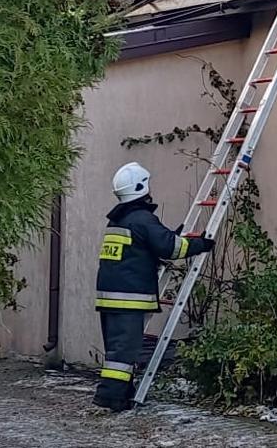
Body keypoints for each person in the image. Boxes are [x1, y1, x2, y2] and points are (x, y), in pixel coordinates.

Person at [93, 162, 214, 411]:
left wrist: (169, 237)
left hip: (109, 297)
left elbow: (137, 251)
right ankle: (110, 397)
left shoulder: (118, 221)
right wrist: (200, 245)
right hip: (128, 298)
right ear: (141, 187)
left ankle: (122, 393)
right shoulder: (143, 219)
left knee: (117, 351)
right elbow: (171, 248)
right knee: (123, 354)